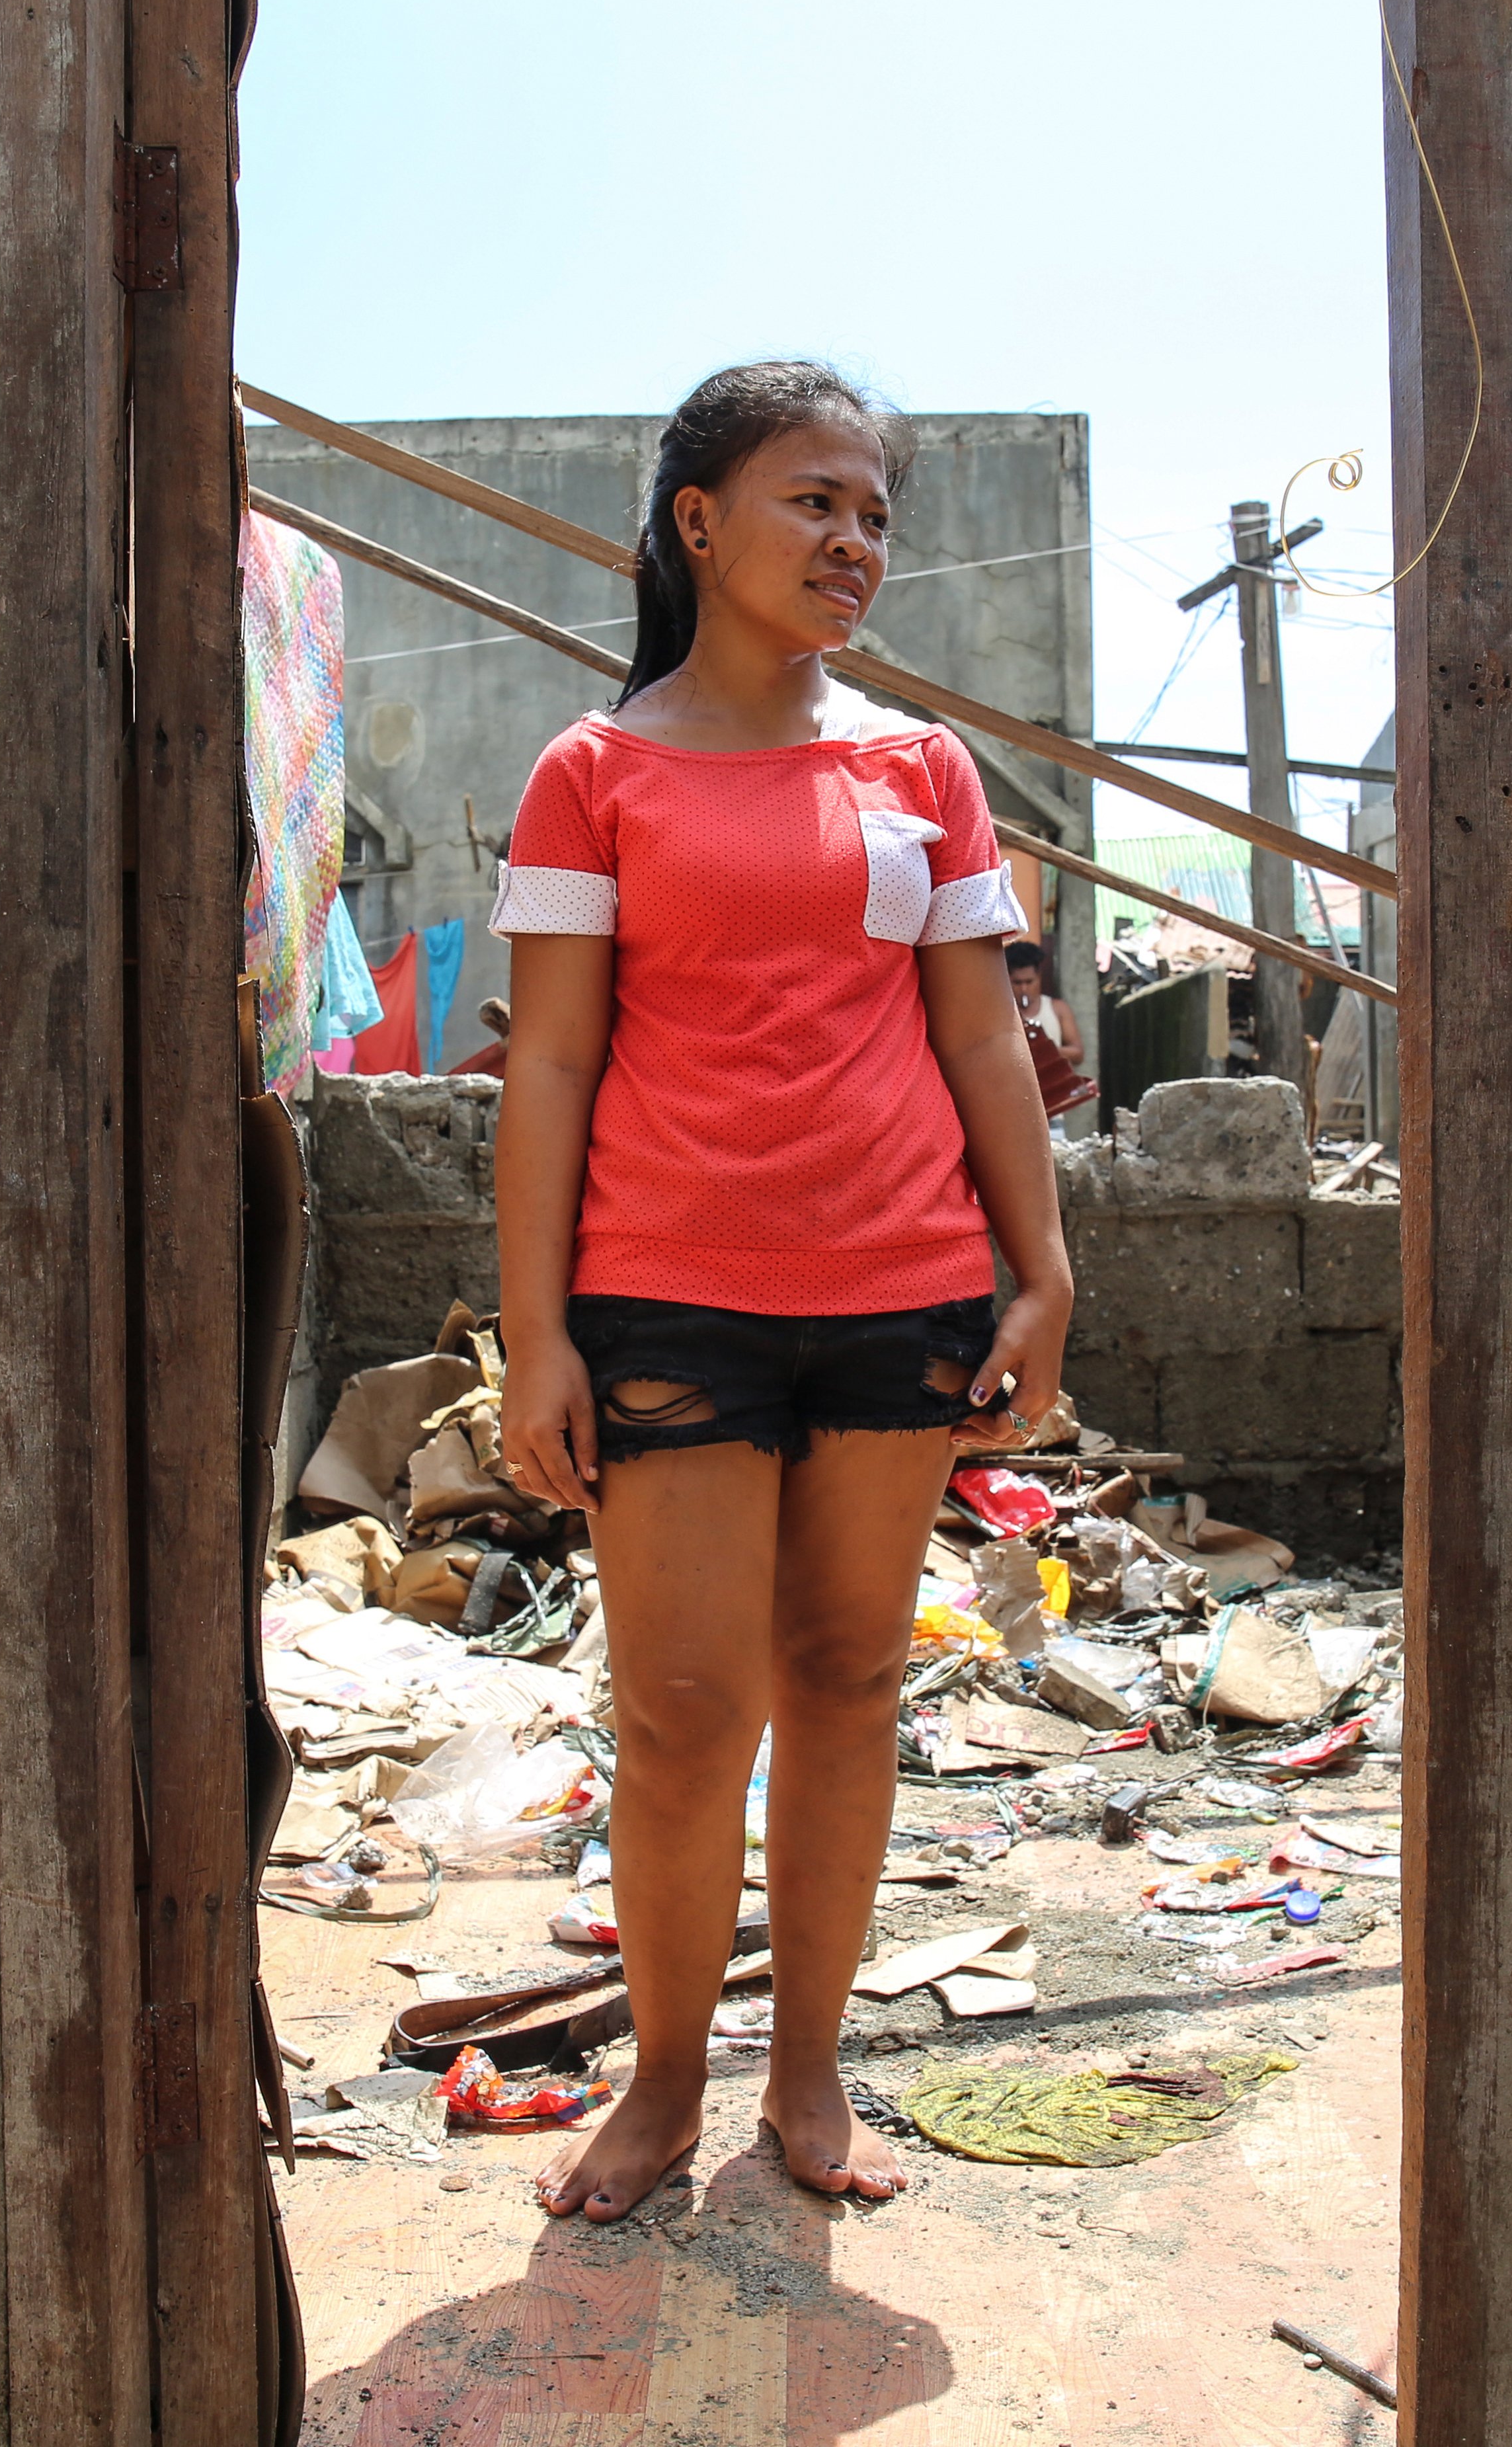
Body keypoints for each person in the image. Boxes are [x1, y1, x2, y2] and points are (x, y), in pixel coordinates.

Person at [492, 362, 1074, 2218]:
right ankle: (665, 2082)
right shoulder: (594, 773)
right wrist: (536, 1338)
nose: (854, 542)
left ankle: (807, 2074)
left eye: (876, 514)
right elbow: (557, 1071)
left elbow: (982, 1042)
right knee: (678, 1705)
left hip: (898, 1289)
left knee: (844, 1680)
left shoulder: (922, 772)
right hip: (667, 1298)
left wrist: (1039, 1272)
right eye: (816, 501)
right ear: (699, 524)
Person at [1003, 941, 1082, 1068]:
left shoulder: (1058, 1009)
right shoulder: (1002, 1013)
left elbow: (1078, 1054)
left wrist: (1042, 1048)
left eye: (1029, 982)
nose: (1024, 989)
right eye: (1017, 983)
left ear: (1039, 977)